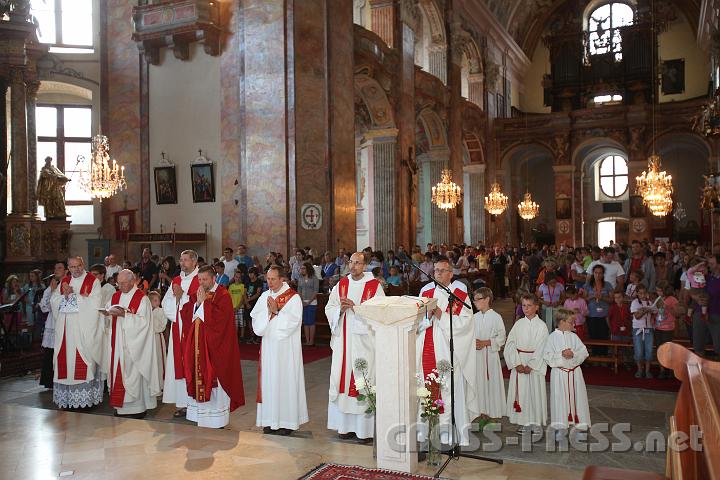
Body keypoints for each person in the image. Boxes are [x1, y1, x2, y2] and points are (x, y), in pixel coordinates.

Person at [325, 252, 385, 442]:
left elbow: (381, 312)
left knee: (362, 377)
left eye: (358, 263)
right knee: (342, 377)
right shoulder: (341, 285)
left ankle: (364, 430)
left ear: (365, 265)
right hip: (344, 340)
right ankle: (344, 427)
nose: (353, 266)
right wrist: (339, 310)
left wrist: (356, 308)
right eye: (351, 262)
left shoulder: (374, 286)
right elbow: (329, 307)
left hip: (364, 342)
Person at [417, 257, 476, 446]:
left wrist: (441, 315)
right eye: (436, 270)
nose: (438, 273)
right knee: (426, 387)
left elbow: (466, 323)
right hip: (426, 344)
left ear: (451, 273)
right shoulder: (425, 291)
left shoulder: (458, 292)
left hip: (448, 349)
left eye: (442, 270)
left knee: (448, 389)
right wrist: (426, 317)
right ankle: (427, 431)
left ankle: (449, 433)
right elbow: (416, 319)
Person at [181, 265, 245, 428]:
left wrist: (203, 304)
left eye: (205, 279)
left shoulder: (223, 295)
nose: (201, 283)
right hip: (198, 347)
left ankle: (216, 420)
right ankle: (199, 415)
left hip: (215, 348)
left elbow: (221, 320)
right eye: (199, 279)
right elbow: (187, 311)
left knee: (214, 378)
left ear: (213, 278)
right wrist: (197, 304)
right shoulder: (198, 293)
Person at [251, 265, 308, 435]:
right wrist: (268, 314)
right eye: (268, 279)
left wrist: (276, 312)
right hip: (269, 347)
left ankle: (286, 423)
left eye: (273, 279)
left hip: (285, 350)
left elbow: (293, 322)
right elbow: (256, 317)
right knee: (269, 382)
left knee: (285, 381)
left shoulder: (293, 298)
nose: (270, 282)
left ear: (282, 279)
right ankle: (270, 420)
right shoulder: (264, 296)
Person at [102, 270, 161, 417]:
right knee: (118, 372)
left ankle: (137, 408)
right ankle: (120, 407)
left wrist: (124, 315)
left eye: (123, 283)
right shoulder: (115, 296)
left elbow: (145, 323)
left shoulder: (142, 299)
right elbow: (109, 316)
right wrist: (107, 314)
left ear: (132, 281)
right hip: (117, 343)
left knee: (133, 373)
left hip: (134, 346)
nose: (120, 286)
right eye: (118, 283)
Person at [50, 256, 104, 409]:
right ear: (69, 268)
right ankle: (68, 399)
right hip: (65, 331)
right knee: (66, 362)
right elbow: (54, 301)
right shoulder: (64, 281)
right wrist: (65, 296)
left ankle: (85, 401)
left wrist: (73, 296)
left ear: (83, 264)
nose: (76, 269)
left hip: (83, 331)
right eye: (73, 267)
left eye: (79, 266)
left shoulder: (92, 281)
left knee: (83, 361)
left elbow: (95, 303)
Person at [161, 249, 200, 418]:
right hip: (179, 327)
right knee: (179, 364)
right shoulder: (176, 279)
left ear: (194, 262)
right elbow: (166, 301)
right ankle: (184, 403)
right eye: (181, 260)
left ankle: (197, 402)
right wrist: (177, 300)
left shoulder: (200, 279)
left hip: (193, 328)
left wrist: (182, 296)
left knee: (193, 363)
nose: (182, 263)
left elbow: (200, 304)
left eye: (185, 260)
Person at [505, 293, 549, 433]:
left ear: (536, 307)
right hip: (519, 362)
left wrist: (531, 365)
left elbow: (543, 347)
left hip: (533, 365)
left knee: (534, 393)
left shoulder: (542, 326)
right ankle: (523, 422)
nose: (526, 308)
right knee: (521, 393)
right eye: (523, 305)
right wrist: (516, 363)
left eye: (529, 306)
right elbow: (510, 344)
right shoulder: (518, 324)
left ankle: (535, 422)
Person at [543, 308, 591, 434]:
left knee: (578, 400)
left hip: (575, 374)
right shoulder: (551, 338)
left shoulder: (574, 337)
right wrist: (562, 355)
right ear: (562, 322)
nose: (573, 325)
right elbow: (547, 356)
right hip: (560, 374)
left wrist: (573, 354)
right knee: (560, 401)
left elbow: (584, 352)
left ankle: (580, 428)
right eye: (571, 322)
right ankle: (561, 430)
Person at [472, 287, 506, 420]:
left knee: (492, 383)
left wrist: (486, 342)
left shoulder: (496, 317)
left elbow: (502, 337)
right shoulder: (474, 317)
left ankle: (493, 413)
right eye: (474, 300)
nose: (475, 302)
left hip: (491, 356)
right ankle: (481, 413)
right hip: (477, 356)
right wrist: (473, 342)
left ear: (487, 300)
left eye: (477, 299)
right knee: (479, 383)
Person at [39, 261, 68, 389]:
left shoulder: (69, 285)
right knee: (50, 351)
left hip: (65, 322)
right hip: (52, 323)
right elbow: (44, 308)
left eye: (60, 268)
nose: (56, 270)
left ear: (66, 271)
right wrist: (52, 291)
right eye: (55, 268)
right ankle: (49, 380)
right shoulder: (51, 287)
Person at [585, 264, 613, 355]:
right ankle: (595, 356)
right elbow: (583, 299)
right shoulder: (588, 285)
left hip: (604, 315)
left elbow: (612, 300)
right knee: (593, 336)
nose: (598, 275)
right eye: (596, 273)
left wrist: (603, 298)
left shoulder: (608, 285)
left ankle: (604, 357)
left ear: (603, 274)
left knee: (604, 336)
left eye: (600, 273)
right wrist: (592, 296)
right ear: (593, 273)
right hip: (592, 314)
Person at [630, 285, 656, 379]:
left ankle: (647, 371)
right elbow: (637, 316)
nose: (642, 295)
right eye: (640, 293)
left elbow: (654, 313)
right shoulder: (635, 302)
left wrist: (653, 314)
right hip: (638, 329)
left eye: (644, 293)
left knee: (649, 350)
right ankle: (639, 370)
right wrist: (646, 310)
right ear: (637, 293)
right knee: (639, 350)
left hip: (648, 328)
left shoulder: (650, 302)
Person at [148, 291, 167, 389]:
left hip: (157, 338)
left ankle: (161, 385)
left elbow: (162, 326)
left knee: (159, 361)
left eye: (158, 300)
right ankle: (152, 385)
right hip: (149, 340)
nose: (157, 302)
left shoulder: (161, 311)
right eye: (154, 300)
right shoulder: (147, 311)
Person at [298, 262, 319, 346]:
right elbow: (299, 289)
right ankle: (307, 340)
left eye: (303, 268)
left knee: (311, 322)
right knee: (306, 322)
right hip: (303, 302)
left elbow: (315, 290)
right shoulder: (300, 278)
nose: (302, 270)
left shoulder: (314, 278)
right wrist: (302, 301)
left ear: (308, 269)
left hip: (312, 302)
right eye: (301, 268)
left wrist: (309, 301)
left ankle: (311, 340)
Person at [227, 271, 247, 343]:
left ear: (240, 278)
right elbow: (229, 297)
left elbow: (243, 297)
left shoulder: (242, 286)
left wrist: (238, 307)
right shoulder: (231, 286)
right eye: (236, 277)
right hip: (233, 307)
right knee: (235, 323)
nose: (237, 278)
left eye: (239, 277)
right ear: (234, 277)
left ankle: (242, 336)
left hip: (240, 307)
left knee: (241, 322)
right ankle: (235, 337)